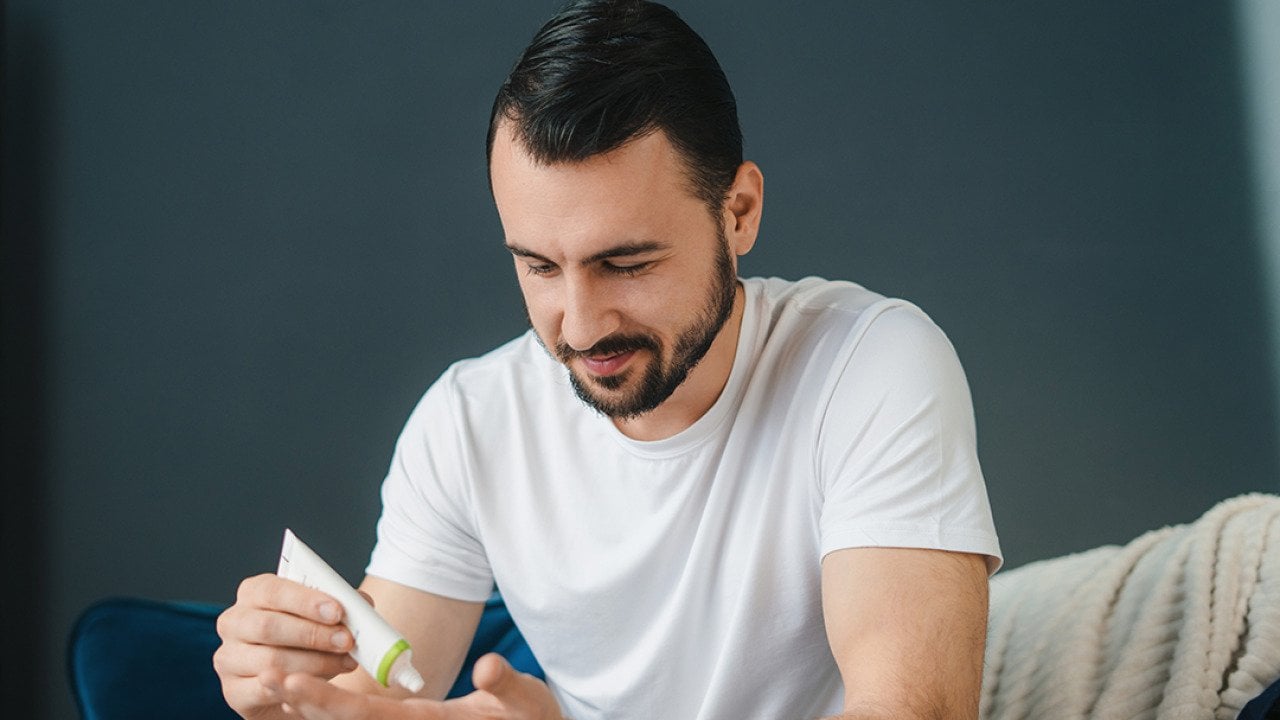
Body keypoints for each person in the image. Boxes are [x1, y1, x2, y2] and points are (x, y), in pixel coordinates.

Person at [213, 1, 1002, 718]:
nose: (581, 326)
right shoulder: (470, 423)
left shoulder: (870, 367)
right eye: (540, 267)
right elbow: (368, 695)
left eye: (627, 264)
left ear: (739, 212)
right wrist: (288, 689)